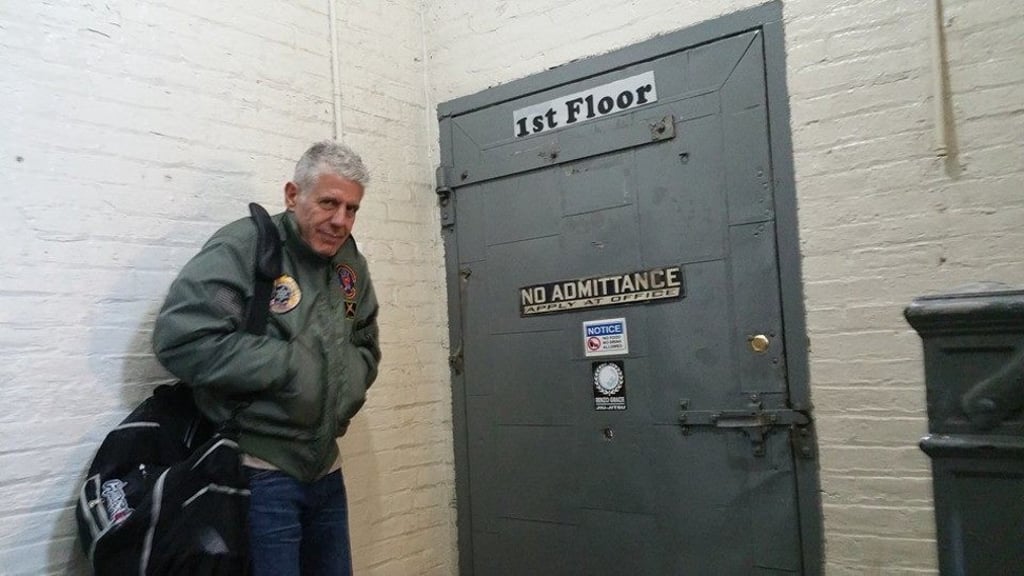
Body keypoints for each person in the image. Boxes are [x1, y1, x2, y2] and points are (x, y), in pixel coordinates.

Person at [152, 141, 382, 576]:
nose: (340, 221)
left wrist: (349, 382)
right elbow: (182, 340)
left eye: (351, 209)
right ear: (293, 195)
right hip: (259, 474)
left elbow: (366, 338)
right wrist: (292, 366)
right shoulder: (245, 248)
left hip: (326, 469)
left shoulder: (349, 263)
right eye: (329, 203)